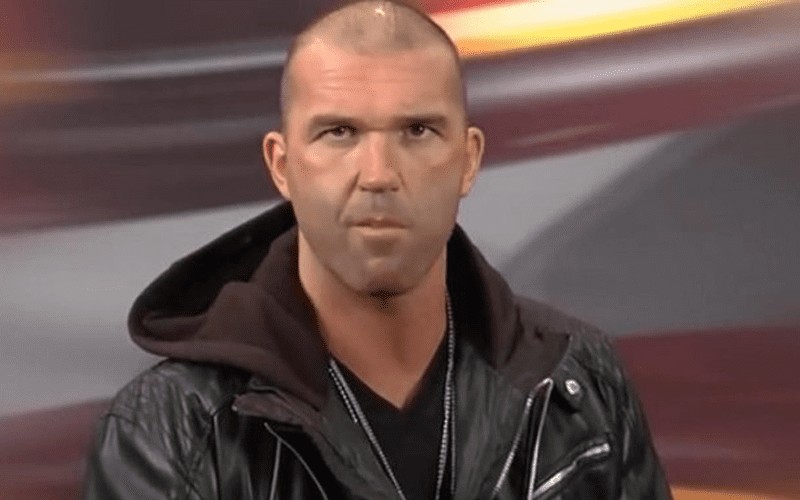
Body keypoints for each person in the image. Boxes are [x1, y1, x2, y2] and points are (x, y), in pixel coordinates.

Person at [82, 1, 672, 498]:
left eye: (417, 131)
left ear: (468, 160)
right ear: (282, 166)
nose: (379, 174)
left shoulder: (580, 383)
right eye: (339, 132)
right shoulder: (171, 431)